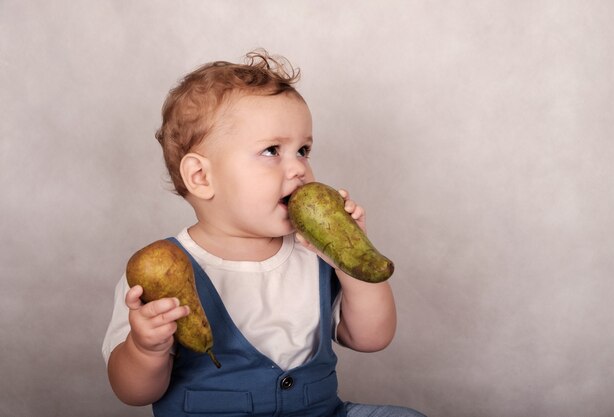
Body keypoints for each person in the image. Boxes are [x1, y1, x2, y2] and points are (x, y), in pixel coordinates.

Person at [102, 49, 426, 417]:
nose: (299, 168)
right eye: (272, 150)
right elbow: (132, 392)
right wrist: (146, 349)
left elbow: (372, 338)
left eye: (303, 150)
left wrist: (353, 257)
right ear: (201, 177)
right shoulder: (158, 273)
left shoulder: (312, 252)